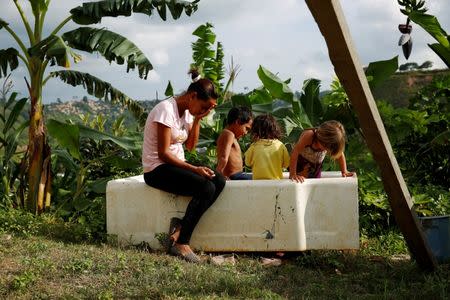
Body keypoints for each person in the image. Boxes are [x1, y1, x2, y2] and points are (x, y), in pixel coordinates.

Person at [142, 69, 226, 263]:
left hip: (175, 165)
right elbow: (163, 153)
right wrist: (194, 169)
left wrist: (197, 119)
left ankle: (180, 227)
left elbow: (190, 146)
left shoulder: (188, 114)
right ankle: (182, 243)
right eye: (204, 107)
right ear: (192, 96)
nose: (204, 111)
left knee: (219, 180)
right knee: (206, 187)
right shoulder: (165, 110)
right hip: (156, 169)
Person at [289, 120, 354, 183]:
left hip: (316, 168)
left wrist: (344, 171)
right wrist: (293, 174)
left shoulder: (327, 144)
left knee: (316, 187)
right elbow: (295, 152)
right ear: (320, 138)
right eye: (325, 147)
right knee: (300, 183)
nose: (325, 150)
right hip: (300, 165)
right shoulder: (309, 135)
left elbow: (340, 154)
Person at [244, 114, 290, 180]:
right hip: (276, 184)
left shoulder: (254, 146)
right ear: (274, 129)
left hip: (258, 185)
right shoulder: (280, 145)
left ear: (255, 130)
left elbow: (247, 163)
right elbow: (286, 164)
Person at [216, 106, 253, 180]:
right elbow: (223, 157)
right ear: (238, 122)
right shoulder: (229, 134)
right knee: (261, 178)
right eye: (246, 128)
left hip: (238, 175)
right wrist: (218, 175)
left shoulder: (230, 135)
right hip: (235, 176)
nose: (246, 133)